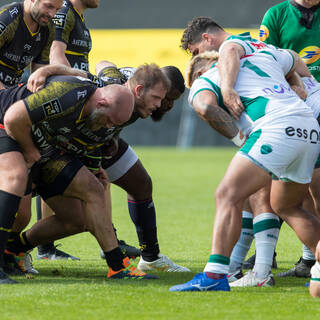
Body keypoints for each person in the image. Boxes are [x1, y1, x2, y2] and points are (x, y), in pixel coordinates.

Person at [170, 42, 320, 292]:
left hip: (275, 128)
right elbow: (294, 57)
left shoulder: (207, 77)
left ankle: (215, 276)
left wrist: (241, 140)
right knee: (288, 206)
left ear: (197, 73)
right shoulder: (263, 58)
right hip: (309, 128)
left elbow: (205, 107)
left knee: (227, 195)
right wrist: (298, 83)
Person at [0, 73, 161, 284]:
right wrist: (29, 151)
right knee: (20, 211)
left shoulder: (102, 112)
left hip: (45, 149)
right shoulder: (68, 95)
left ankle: (117, 266)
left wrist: (93, 168)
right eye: (109, 121)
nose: (108, 127)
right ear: (102, 102)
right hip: (8, 127)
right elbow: (13, 118)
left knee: (82, 212)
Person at [256, 0, 320, 278]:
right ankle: (272, 257)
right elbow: (266, 56)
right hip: (291, 104)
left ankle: (310, 259)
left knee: (315, 186)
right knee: (283, 183)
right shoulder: (278, 14)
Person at [0, 0, 63, 274]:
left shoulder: (46, 29)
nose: (52, 14)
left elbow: (38, 75)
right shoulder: (8, 19)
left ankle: (8, 254)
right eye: (48, 6)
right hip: (5, 104)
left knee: (22, 213)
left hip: (9, 105)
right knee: (14, 178)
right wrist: (8, 96)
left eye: (56, 9)